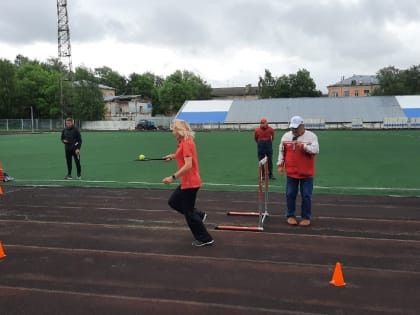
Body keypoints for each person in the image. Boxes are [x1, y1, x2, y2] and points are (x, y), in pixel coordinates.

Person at [162, 119, 214, 247]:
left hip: (190, 182)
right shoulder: (184, 142)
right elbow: (183, 155)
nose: (172, 132)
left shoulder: (186, 143)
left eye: (174, 129)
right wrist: (173, 156)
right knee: (173, 202)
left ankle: (205, 238)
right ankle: (199, 215)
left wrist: (172, 177)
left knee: (188, 212)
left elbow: (188, 165)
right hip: (187, 181)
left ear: (180, 131)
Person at [277, 116, 319, 227]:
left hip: (306, 173)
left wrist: (304, 146)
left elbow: (316, 149)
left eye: (296, 128)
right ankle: (290, 215)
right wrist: (280, 164)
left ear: (302, 126)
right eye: (292, 128)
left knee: (306, 195)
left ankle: (306, 217)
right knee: (290, 194)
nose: (294, 130)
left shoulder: (311, 136)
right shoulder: (286, 136)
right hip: (291, 172)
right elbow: (281, 151)